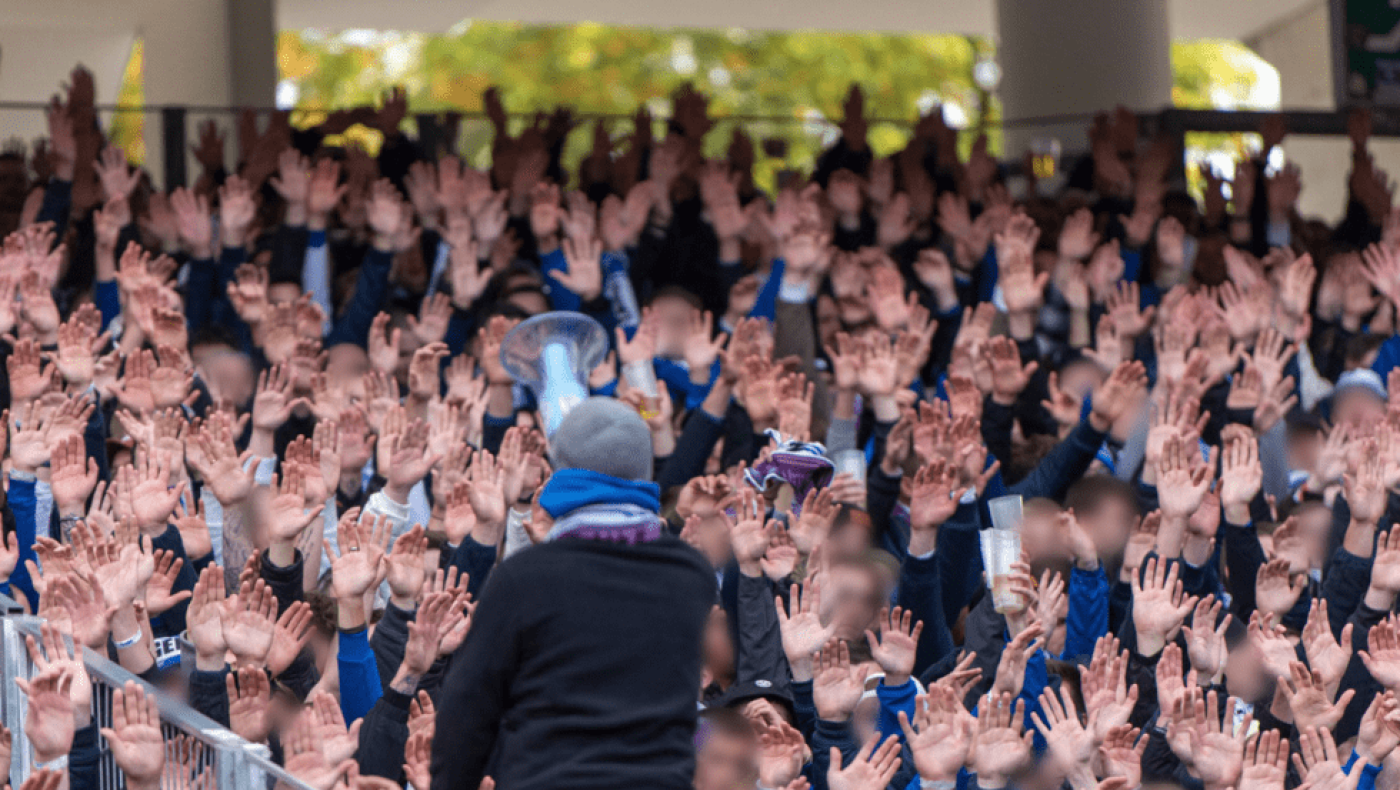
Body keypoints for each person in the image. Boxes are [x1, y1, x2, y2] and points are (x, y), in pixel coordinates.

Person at [431, 397, 715, 789]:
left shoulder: (524, 578)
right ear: (645, 471)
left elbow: (466, 713)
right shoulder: (691, 575)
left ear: (560, 473)